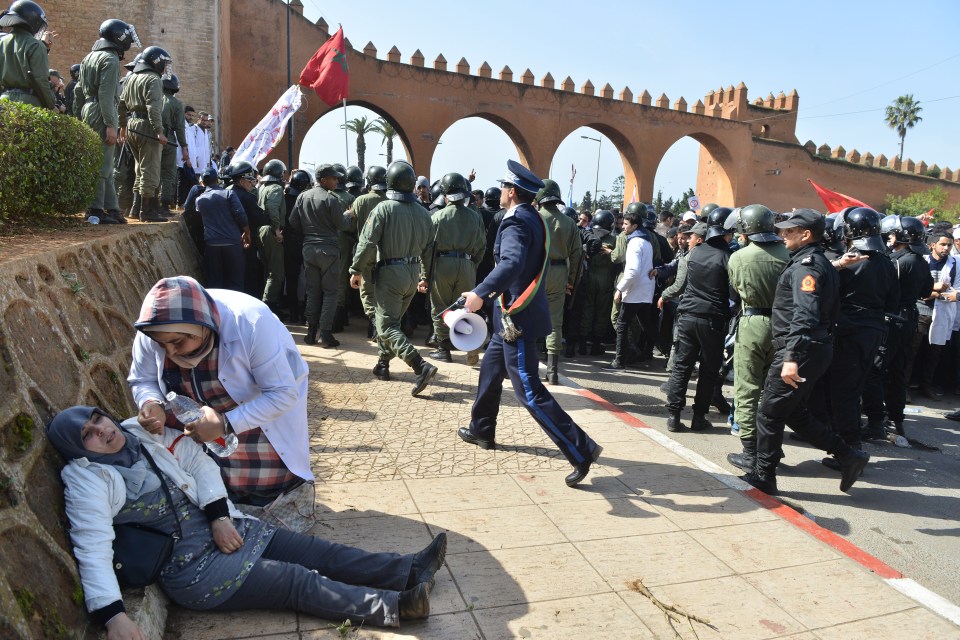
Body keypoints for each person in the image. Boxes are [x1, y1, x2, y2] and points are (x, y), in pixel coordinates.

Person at [48, 405, 447, 636]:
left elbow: (198, 463)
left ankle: (406, 569)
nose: (103, 431)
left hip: (230, 531)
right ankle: (397, 607)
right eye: (89, 435)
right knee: (296, 580)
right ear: (78, 450)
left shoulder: (139, 434)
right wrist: (112, 614)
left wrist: (220, 517)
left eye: (99, 419)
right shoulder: (87, 481)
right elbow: (92, 545)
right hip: (195, 571)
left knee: (316, 550)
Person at [457, 160, 602, 488]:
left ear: (510, 191)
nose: (503, 192)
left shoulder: (516, 223)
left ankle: (581, 449)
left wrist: (480, 293)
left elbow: (512, 262)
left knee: (530, 391)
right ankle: (482, 429)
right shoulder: (533, 218)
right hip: (510, 314)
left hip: (516, 319)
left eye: (505, 188)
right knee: (490, 373)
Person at [128, 276, 313, 505]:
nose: (170, 352)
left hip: (254, 421)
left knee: (265, 492)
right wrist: (150, 403)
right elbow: (142, 379)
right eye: (161, 344)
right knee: (208, 486)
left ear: (200, 329)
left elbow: (282, 393)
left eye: (177, 342)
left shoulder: (249, 322)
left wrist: (226, 423)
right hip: (196, 430)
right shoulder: (155, 330)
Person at [742, 209, 870, 495]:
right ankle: (849, 456)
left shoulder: (807, 266)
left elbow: (805, 314)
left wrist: (790, 358)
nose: (783, 234)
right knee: (793, 413)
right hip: (812, 348)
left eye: (789, 231)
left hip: (799, 349)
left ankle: (764, 475)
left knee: (769, 413)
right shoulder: (817, 262)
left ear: (806, 234)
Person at [350, 161, 437, 394]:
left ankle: (420, 366)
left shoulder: (384, 208)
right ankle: (382, 364)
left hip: (390, 272)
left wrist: (356, 269)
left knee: (386, 325)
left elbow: (367, 242)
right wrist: (425, 277)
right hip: (412, 273)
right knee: (390, 323)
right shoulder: (424, 213)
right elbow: (429, 250)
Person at [724, 205, 789, 472]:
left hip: (752, 323)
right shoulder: (789, 254)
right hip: (784, 325)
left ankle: (750, 452)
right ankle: (772, 447)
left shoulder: (738, 258)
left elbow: (735, 292)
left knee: (747, 388)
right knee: (772, 391)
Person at [663, 207, 733, 432]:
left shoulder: (695, 252)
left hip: (687, 316)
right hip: (713, 320)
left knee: (682, 366)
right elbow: (733, 295)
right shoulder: (728, 258)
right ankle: (698, 417)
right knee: (708, 370)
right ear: (728, 233)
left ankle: (673, 416)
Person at [863, 216, 933, 437]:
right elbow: (925, 291)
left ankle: (876, 421)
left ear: (903, 236)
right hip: (909, 316)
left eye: (893, 234)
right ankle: (895, 419)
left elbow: (884, 290)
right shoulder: (920, 261)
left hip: (892, 317)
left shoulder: (897, 261)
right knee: (898, 371)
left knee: (875, 370)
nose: (890, 238)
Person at [74, 18, 139, 225]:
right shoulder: (109, 59)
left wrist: (78, 117)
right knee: (103, 164)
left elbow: (77, 92)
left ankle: (112, 208)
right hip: (102, 111)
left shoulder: (89, 57)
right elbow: (106, 93)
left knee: (106, 162)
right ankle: (95, 209)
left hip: (89, 109)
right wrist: (111, 125)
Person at [418, 172, 486, 363]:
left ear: (445, 193)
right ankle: (470, 346)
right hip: (467, 263)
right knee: (466, 306)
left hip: (442, 263)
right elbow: (482, 246)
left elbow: (427, 249)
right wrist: (472, 265)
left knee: (440, 306)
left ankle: (443, 349)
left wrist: (425, 274)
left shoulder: (437, 216)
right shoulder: (475, 217)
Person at [287, 164, 348, 348]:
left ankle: (311, 333)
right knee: (330, 292)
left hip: (309, 249)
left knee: (312, 291)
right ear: (323, 180)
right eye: (334, 178)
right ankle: (326, 334)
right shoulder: (331, 199)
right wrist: (349, 215)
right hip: (328, 250)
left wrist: (308, 232)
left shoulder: (303, 196)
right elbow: (342, 225)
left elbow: (292, 221)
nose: (337, 181)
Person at [534, 180, 582, 383]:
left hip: (537, 272)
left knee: (530, 317)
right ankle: (552, 371)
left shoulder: (535, 218)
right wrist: (570, 281)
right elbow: (578, 254)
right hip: (560, 272)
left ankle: (530, 365)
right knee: (555, 323)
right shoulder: (570, 222)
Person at [118, 45, 171, 223]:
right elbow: (153, 107)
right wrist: (159, 131)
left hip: (132, 125)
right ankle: (147, 211)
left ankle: (135, 208)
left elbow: (121, 104)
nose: (165, 67)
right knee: (150, 169)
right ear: (157, 62)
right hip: (147, 126)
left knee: (139, 168)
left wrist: (123, 127)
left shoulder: (131, 77)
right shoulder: (153, 79)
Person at [604, 208, 657, 371]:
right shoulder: (646, 240)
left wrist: (620, 289)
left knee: (622, 323)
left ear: (634, 226)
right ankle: (671, 354)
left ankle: (619, 361)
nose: (623, 227)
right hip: (644, 290)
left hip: (634, 290)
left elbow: (633, 271)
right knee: (647, 325)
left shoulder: (634, 243)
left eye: (626, 224)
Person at [192, 167, 250, 291]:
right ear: (217, 180)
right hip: (232, 243)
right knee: (236, 282)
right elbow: (241, 215)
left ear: (202, 182)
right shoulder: (228, 194)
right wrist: (247, 232)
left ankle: (216, 309)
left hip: (212, 245)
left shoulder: (199, 200)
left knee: (215, 283)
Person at [347, 165, 388, 339]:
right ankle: (381, 323)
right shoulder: (389, 201)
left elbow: (349, 224)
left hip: (364, 250)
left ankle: (372, 321)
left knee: (366, 290)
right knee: (384, 289)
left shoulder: (360, 200)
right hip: (385, 251)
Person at [0, 0, 55, 109]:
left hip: (3, 100)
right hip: (29, 103)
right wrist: (51, 105)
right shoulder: (36, 45)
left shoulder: (1, 42)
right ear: (33, 20)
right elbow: (41, 81)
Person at [578, 209, 617, 355]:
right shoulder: (614, 240)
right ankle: (596, 344)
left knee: (587, 310)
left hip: (589, 277)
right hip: (606, 280)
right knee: (602, 313)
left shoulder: (590, 237)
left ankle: (582, 344)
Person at [281, 168, 312, 324]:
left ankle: (293, 312)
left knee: (291, 278)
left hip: (288, 242)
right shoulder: (307, 199)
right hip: (304, 240)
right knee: (308, 278)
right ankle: (305, 312)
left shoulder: (284, 197)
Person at [257, 159, 287, 316]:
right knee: (277, 272)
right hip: (270, 230)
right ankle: (269, 305)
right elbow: (272, 207)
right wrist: (277, 230)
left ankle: (267, 302)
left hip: (261, 230)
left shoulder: (261, 187)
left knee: (268, 270)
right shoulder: (275, 188)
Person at [159, 73, 188, 214]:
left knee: (151, 171)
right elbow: (180, 128)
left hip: (153, 137)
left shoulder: (154, 99)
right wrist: (184, 147)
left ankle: (147, 204)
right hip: (169, 139)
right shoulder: (176, 104)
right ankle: (164, 205)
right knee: (168, 172)